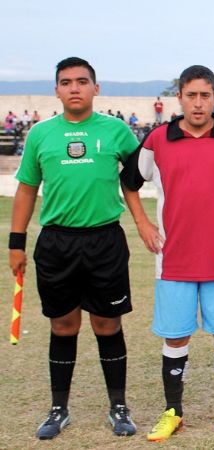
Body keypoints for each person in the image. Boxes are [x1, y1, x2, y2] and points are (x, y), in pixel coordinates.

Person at [120, 65, 214, 441]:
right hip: (173, 259)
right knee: (174, 338)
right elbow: (129, 183)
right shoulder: (158, 139)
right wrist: (142, 224)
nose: (199, 103)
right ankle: (173, 412)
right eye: (192, 95)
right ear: (180, 97)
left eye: (206, 95)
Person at [8, 56, 139, 439]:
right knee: (63, 325)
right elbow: (27, 188)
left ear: (96, 89)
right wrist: (16, 243)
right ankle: (58, 408)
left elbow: (138, 174)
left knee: (106, 323)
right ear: (57, 90)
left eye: (82, 81)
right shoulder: (40, 134)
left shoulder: (116, 131)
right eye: (66, 82)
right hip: (57, 243)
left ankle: (118, 406)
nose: (75, 88)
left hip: (105, 240)